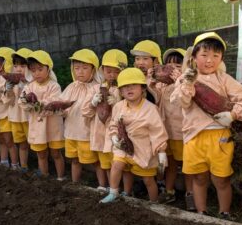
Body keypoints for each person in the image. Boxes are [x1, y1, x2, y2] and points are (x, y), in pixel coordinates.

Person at [172, 32, 242, 218]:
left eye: (215, 56)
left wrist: (233, 115)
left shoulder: (223, 78)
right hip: (194, 136)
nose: (210, 60)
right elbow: (180, 102)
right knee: (199, 178)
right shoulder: (186, 79)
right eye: (204, 55)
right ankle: (202, 213)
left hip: (220, 137)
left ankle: (224, 212)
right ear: (194, 57)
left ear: (221, 58)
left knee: (221, 179)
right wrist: (188, 84)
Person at [101, 68, 168, 204]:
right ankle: (113, 192)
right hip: (123, 145)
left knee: (148, 180)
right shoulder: (118, 106)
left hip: (143, 148)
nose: (129, 89)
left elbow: (157, 131)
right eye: (125, 87)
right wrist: (114, 137)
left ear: (143, 88)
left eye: (133, 85)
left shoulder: (150, 109)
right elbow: (113, 124)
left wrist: (161, 152)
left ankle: (154, 202)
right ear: (120, 91)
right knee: (116, 164)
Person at [149, 48, 196, 210]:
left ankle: (190, 194)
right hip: (166, 132)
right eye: (169, 65)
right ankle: (169, 191)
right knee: (170, 164)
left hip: (182, 132)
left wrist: (180, 81)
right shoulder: (162, 85)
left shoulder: (186, 84)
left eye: (178, 65)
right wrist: (152, 85)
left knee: (188, 166)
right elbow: (155, 101)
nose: (173, 69)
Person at [82, 49, 126, 191]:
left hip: (115, 132)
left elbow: (129, 111)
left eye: (116, 71)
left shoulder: (124, 89)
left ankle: (123, 189)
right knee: (105, 163)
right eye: (109, 71)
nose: (112, 75)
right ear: (102, 71)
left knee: (119, 162)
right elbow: (85, 111)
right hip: (99, 132)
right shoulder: (96, 88)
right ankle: (109, 187)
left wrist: (118, 101)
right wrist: (93, 102)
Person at [19, 50, 66, 180]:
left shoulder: (54, 86)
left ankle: (61, 177)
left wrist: (36, 103)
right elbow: (21, 102)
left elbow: (53, 101)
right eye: (33, 70)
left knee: (56, 153)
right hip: (38, 125)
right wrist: (27, 102)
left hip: (53, 125)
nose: (36, 73)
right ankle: (44, 176)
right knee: (41, 154)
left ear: (48, 68)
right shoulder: (29, 87)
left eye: (40, 69)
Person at [60, 49, 100, 184]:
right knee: (74, 159)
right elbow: (62, 105)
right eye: (76, 68)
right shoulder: (72, 87)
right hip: (71, 131)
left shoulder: (97, 88)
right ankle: (75, 183)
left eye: (84, 68)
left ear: (93, 69)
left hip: (86, 132)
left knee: (95, 160)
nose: (80, 72)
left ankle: (103, 185)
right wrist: (59, 109)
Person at [8, 48, 34, 172]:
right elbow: (7, 98)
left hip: (29, 117)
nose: (18, 69)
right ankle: (23, 166)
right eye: (16, 65)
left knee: (36, 143)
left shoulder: (33, 82)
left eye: (23, 66)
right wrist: (9, 87)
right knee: (21, 143)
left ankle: (42, 168)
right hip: (16, 116)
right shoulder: (11, 81)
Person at [130, 40, 162, 104]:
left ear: (155, 61)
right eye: (137, 59)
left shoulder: (161, 80)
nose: (141, 63)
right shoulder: (132, 78)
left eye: (145, 58)